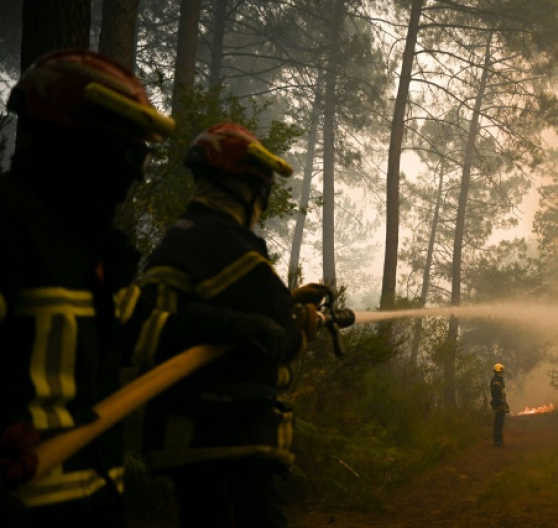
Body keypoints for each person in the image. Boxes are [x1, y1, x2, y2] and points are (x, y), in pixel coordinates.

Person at [0, 49, 290, 528]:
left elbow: (138, 323)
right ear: (74, 145)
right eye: (124, 152)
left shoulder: (82, 252)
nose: (133, 174)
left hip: (91, 500)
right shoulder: (10, 227)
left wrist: (228, 324)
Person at [135, 122, 351, 528]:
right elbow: (274, 337)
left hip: (195, 440)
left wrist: (285, 304)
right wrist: (298, 327)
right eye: (262, 189)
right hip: (226, 444)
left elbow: (220, 319)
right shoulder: (226, 242)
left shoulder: (184, 237)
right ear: (246, 188)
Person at [490, 363, 510, 447]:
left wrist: (504, 403)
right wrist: (501, 404)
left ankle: (497, 439)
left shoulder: (497, 380)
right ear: (499, 371)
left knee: (498, 422)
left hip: (499, 404)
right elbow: (497, 395)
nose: (502, 373)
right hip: (498, 405)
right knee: (499, 422)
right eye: (502, 371)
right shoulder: (496, 381)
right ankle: (498, 440)